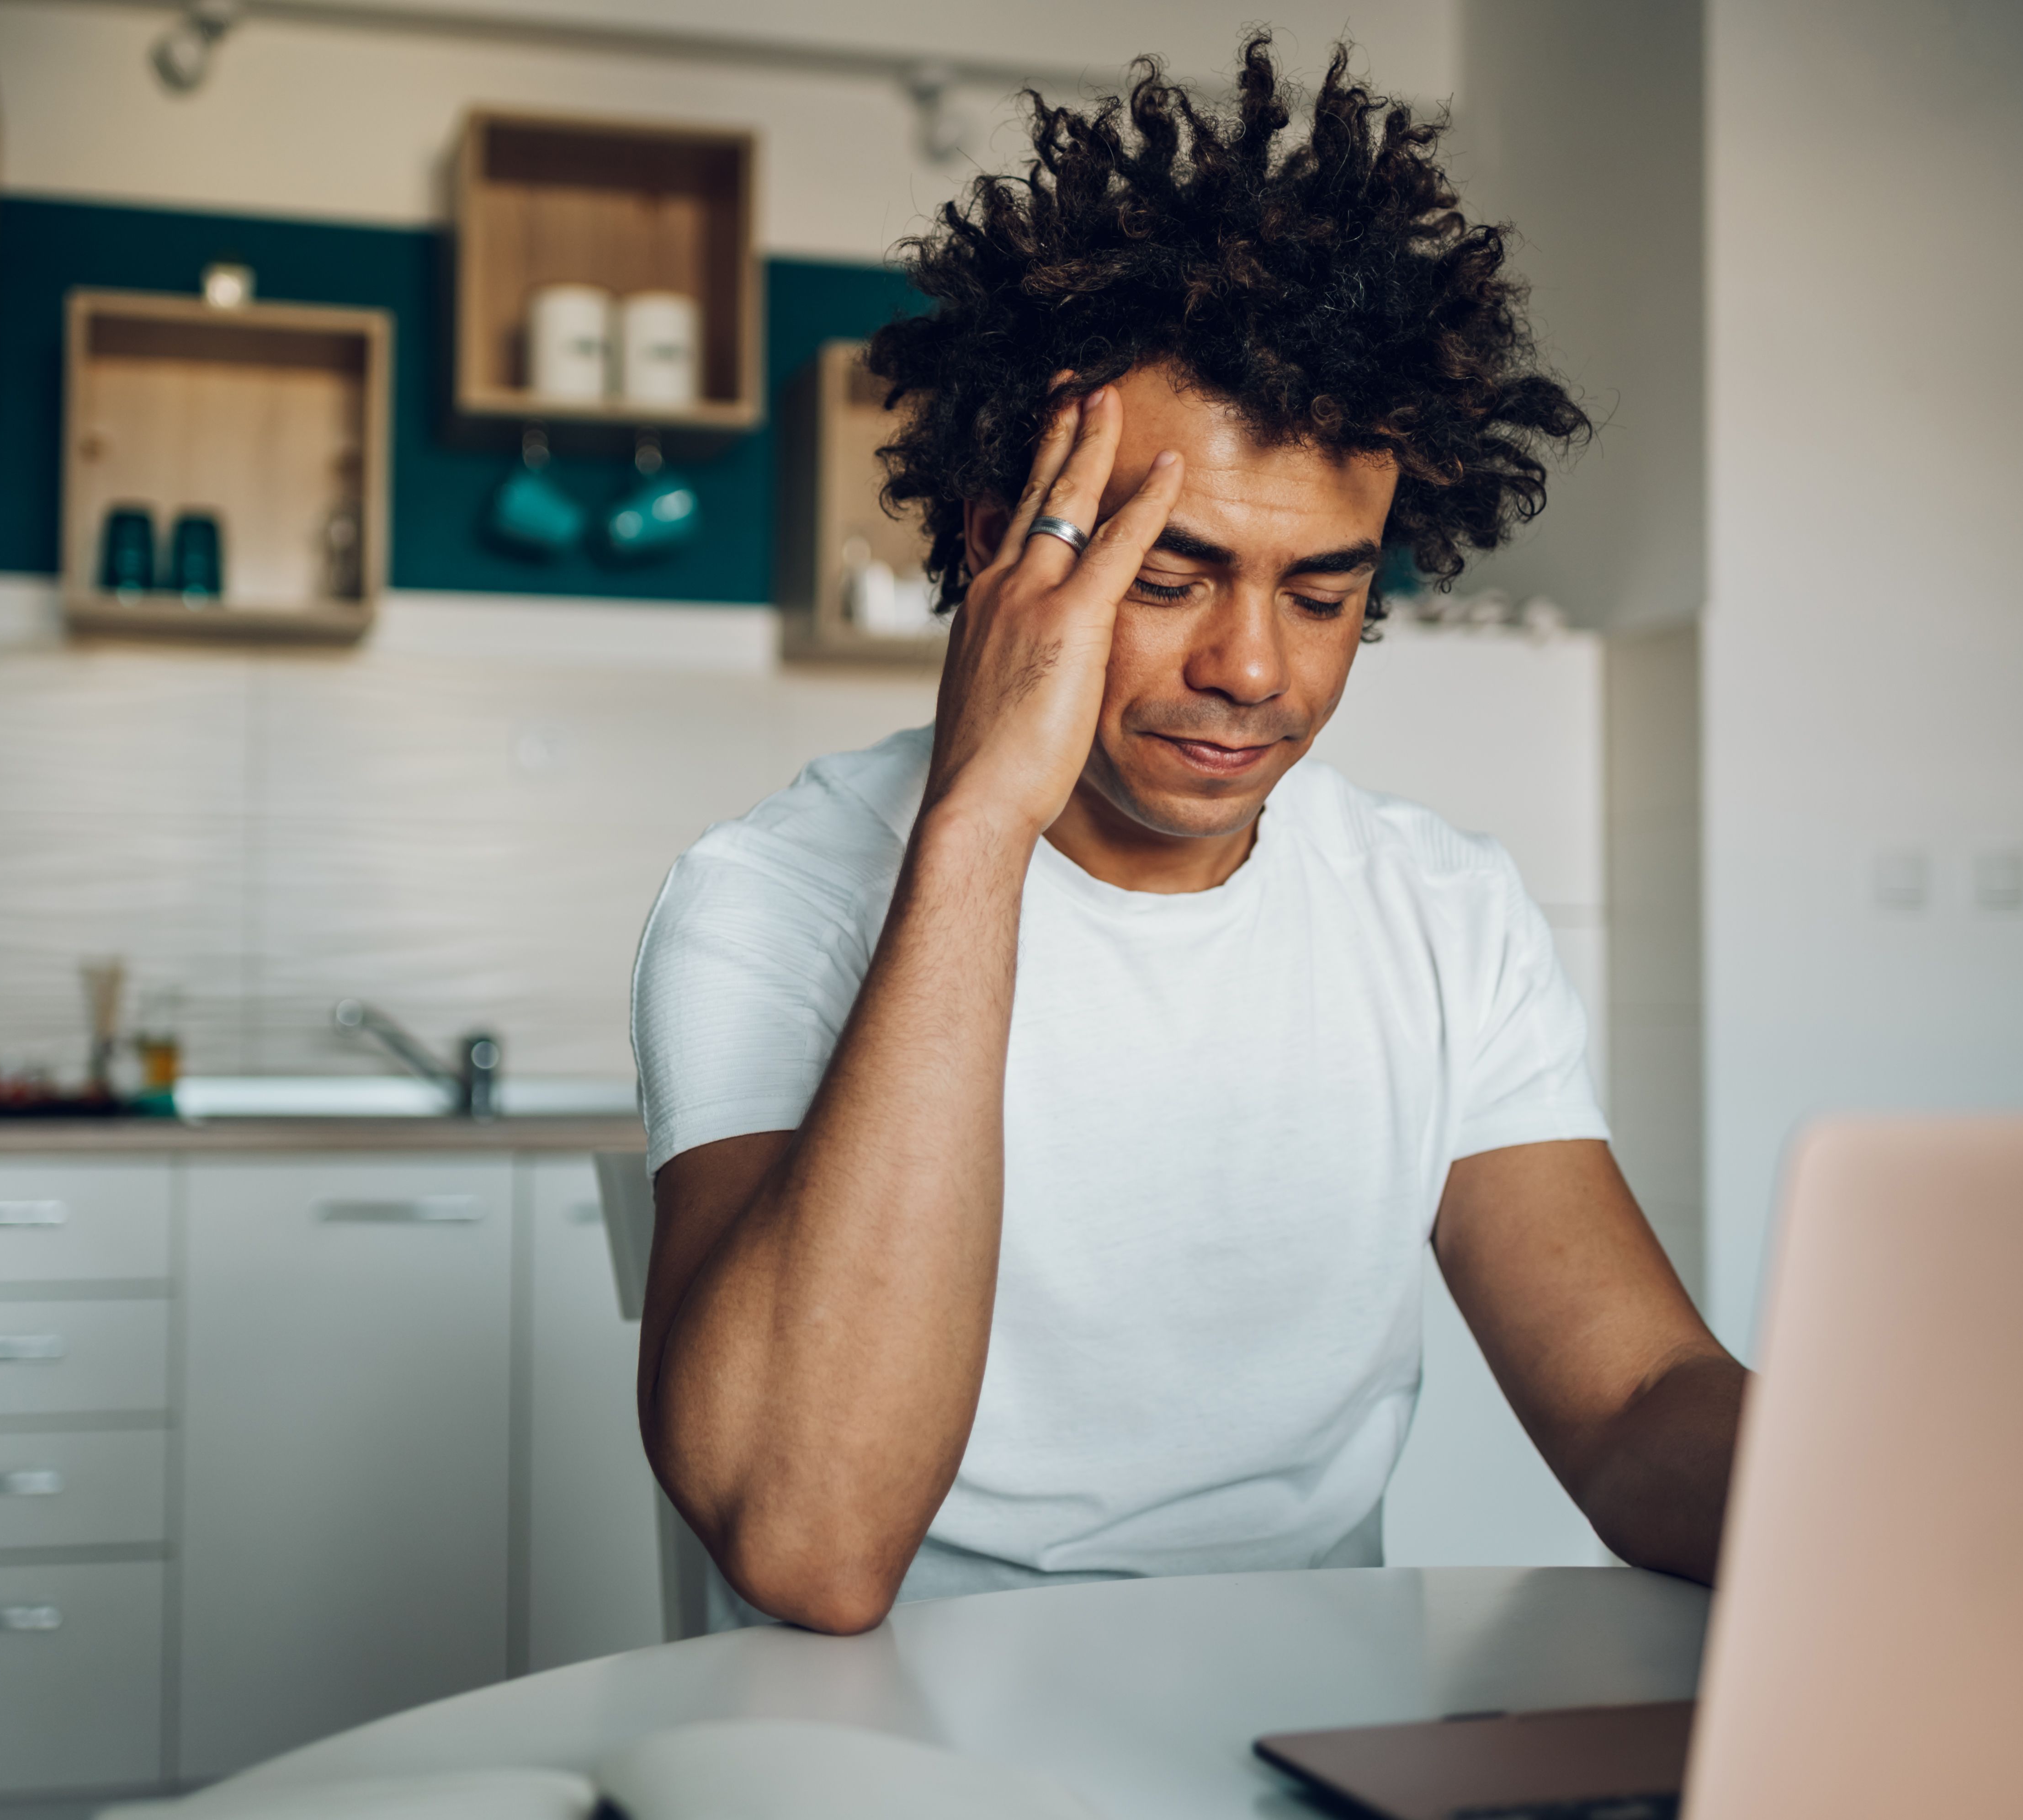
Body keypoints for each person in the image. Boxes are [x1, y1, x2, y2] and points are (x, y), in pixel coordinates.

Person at [628, 34, 1745, 1636]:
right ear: (999, 551)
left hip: (1305, 1702)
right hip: (884, 1710)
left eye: (1324, 594)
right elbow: (811, 1544)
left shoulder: (1441, 908)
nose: (1253, 669)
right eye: (1166, 579)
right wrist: (977, 823)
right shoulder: (768, 900)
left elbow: (1630, 1401)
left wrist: (1887, 1493)